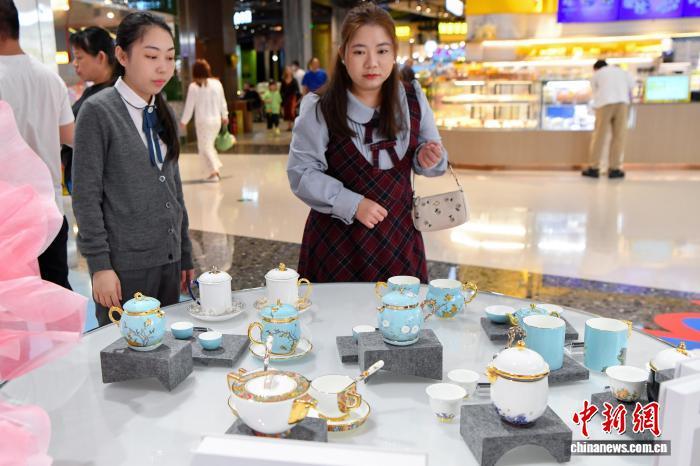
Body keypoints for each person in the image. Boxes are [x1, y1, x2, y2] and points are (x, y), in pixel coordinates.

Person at [287, 3, 447, 283]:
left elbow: (435, 158)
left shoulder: (412, 98)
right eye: (360, 52)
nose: (372, 63)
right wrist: (352, 203)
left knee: (400, 310)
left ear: (394, 53)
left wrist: (428, 157)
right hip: (337, 245)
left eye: (382, 51)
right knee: (336, 311)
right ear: (343, 55)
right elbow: (301, 173)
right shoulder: (319, 107)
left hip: (399, 239)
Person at [72, 12, 194, 327]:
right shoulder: (98, 112)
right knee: (125, 349)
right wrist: (100, 266)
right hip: (124, 268)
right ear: (122, 56)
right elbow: (86, 196)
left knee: (168, 344)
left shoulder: (162, 109)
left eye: (169, 57)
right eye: (151, 56)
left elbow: (174, 188)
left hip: (168, 261)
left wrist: (184, 252)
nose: (163, 67)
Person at [0, 0, 75, 290]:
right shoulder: (50, 78)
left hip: (7, 219)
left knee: (13, 301)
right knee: (55, 291)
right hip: (49, 212)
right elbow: (69, 136)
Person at [63, 26, 117, 193]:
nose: (75, 63)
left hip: (97, 186)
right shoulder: (94, 90)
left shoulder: (113, 95)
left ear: (101, 57)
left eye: (79, 57)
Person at [582, 59, 635, 179]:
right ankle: (615, 169)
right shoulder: (622, 71)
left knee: (599, 136)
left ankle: (594, 168)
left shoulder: (598, 74)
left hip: (604, 104)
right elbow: (632, 85)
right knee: (619, 137)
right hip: (622, 103)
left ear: (596, 68)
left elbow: (595, 92)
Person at [180, 59, 228, 182]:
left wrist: (184, 121)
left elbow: (189, 106)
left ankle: (214, 172)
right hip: (216, 121)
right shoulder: (217, 84)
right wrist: (225, 116)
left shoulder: (193, 87)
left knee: (205, 147)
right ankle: (214, 170)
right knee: (209, 146)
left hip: (203, 122)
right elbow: (222, 101)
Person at [280, 66, 300, 131]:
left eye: (289, 70)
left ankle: (294, 126)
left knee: (292, 111)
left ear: (291, 71)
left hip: (293, 98)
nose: (288, 71)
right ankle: (289, 126)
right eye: (287, 70)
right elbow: (281, 90)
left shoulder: (294, 80)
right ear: (285, 71)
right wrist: (282, 98)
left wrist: (297, 99)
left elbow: (297, 90)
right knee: (287, 112)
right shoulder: (283, 80)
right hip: (285, 98)